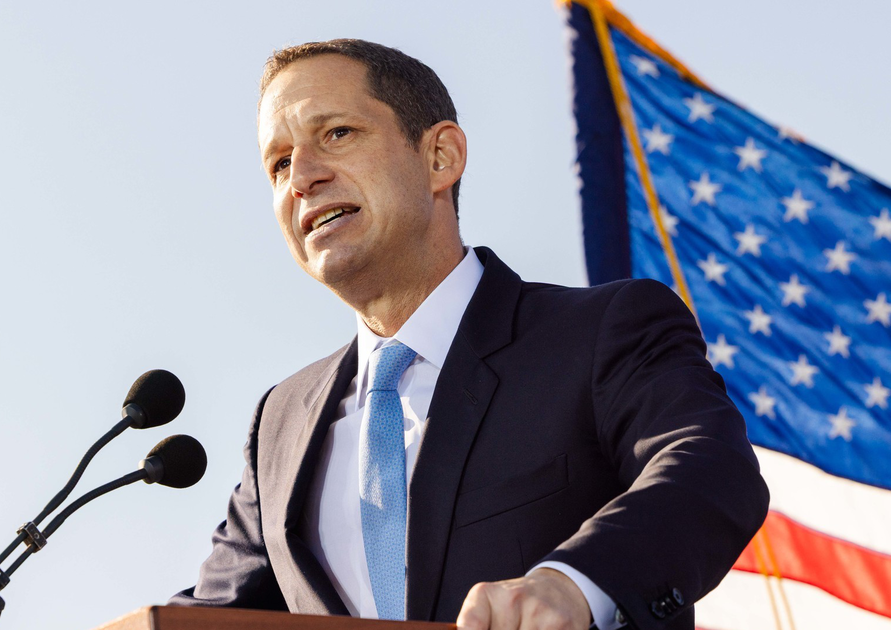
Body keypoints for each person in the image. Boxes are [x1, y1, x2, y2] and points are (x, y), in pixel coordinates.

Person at [169, 39, 769, 630]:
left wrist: (574, 583)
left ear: (441, 157)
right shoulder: (280, 422)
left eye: (336, 134)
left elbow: (707, 470)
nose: (301, 177)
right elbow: (212, 616)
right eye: (278, 163)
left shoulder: (602, 331)